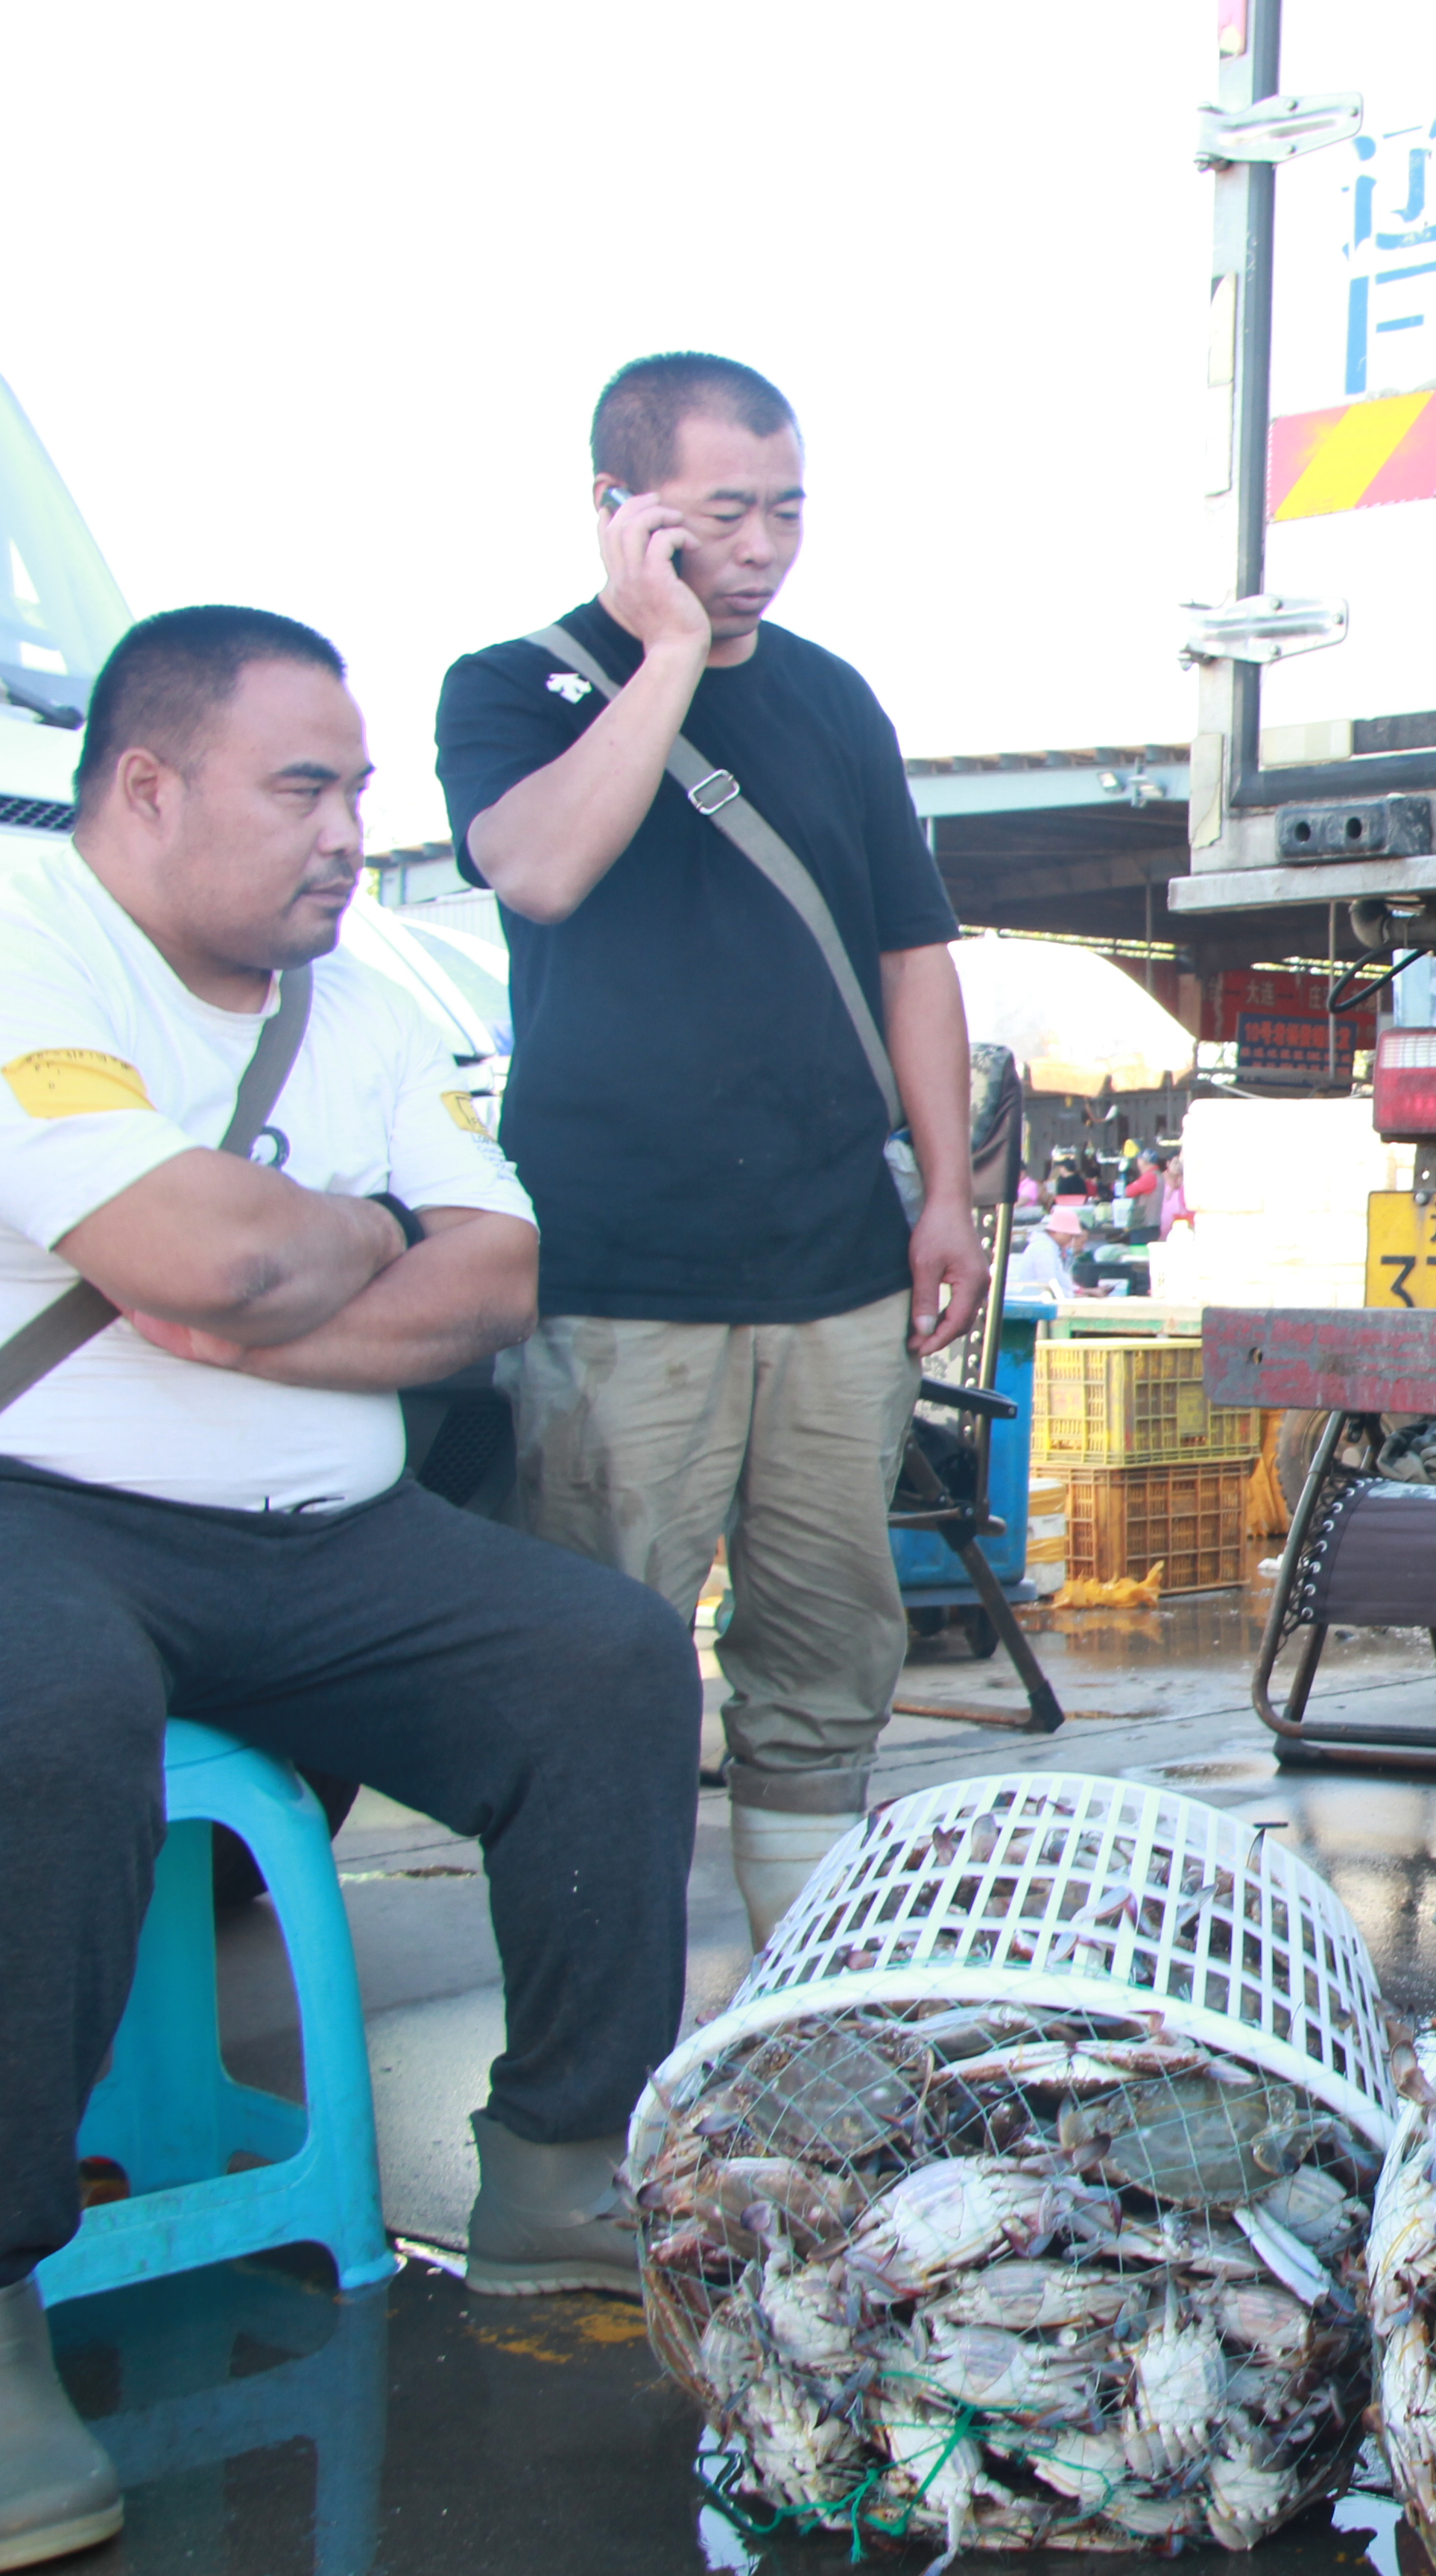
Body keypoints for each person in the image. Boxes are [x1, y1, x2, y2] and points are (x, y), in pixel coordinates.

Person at [0, 609, 703, 2555]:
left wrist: (282, 1283)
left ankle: (560, 2167)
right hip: (40, 1504)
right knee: (42, 1711)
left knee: (609, 1662)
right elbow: (183, 1246)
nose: (348, 829)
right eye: (302, 785)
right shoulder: (24, 934)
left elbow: (490, 1277)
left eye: (359, 787)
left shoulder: (365, 1002)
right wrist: (300, 1255)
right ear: (146, 789)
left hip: (330, 1533)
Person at [434, 353, 976, 1940]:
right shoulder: (509, 684)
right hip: (620, 1275)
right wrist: (667, 650)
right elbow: (539, 868)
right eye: (722, 512)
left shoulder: (830, 697)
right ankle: (588, 2074)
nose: (763, 546)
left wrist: (943, 1192)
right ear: (622, 511)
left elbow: (912, 954)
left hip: (835, 1268)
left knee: (825, 1659)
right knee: (599, 1668)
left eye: (787, 508)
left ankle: (796, 2019)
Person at [1005, 1200, 1085, 1307]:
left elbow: (1060, 1279)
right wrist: (1070, 1299)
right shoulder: (1044, 1248)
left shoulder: (1051, 1247)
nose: (1071, 1240)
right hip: (1034, 1302)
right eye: (1069, 1235)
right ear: (1055, 1232)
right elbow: (1049, 1283)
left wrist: (1080, 1293)